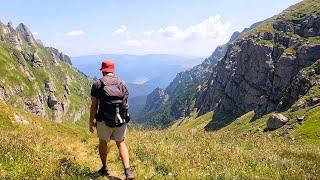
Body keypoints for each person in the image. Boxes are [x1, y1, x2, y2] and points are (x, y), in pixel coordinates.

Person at [89, 59, 134, 179]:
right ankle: (128, 171)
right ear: (113, 70)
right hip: (121, 120)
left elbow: (94, 106)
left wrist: (91, 121)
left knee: (103, 143)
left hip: (104, 120)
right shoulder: (122, 83)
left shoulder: (97, 84)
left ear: (103, 71)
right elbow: (126, 103)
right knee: (121, 143)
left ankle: (104, 168)